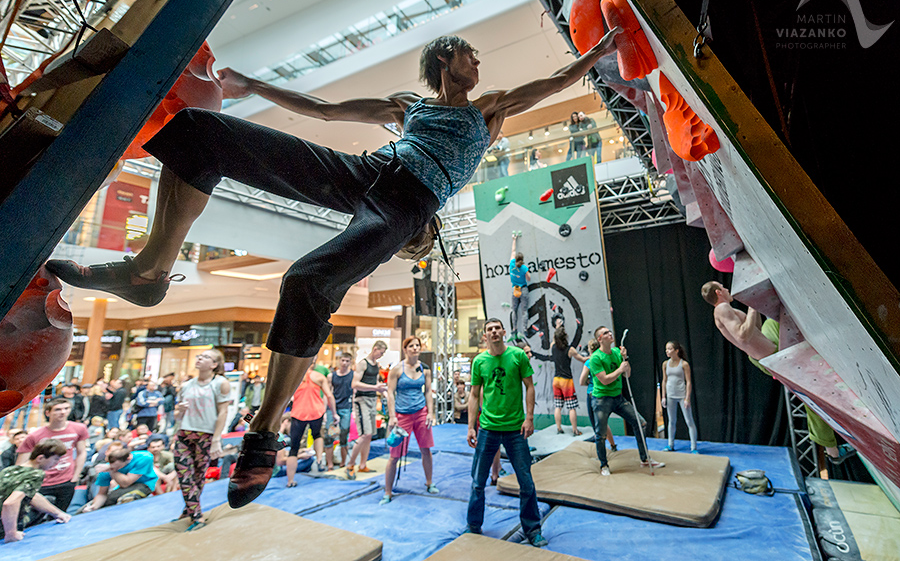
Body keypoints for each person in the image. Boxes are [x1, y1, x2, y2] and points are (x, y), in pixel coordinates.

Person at [46, 27, 621, 508]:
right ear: (446, 58)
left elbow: (548, 85)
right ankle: (149, 272)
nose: (478, 61)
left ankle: (265, 430)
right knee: (198, 133)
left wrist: (592, 57)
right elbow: (322, 109)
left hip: (408, 202)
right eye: (469, 53)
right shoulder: (408, 105)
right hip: (364, 172)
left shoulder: (489, 109)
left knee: (307, 281)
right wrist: (250, 86)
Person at [700, 281, 850, 463]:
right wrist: (752, 309)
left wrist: (753, 304)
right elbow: (742, 336)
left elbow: (754, 329)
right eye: (723, 288)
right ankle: (833, 452)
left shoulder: (725, 309)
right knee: (812, 398)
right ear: (718, 292)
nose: (727, 289)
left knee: (773, 321)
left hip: (766, 350)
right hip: (772, 358)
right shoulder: (722, 309)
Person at [466, 318, 546, 547]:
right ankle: (473, 525)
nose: (493, 332)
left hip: (515, 429)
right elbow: (473, 395)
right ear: (485, 336)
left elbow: (530, 386)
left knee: (526, 482)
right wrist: (471, 426)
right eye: (489, 329)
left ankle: (532, 530)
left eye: (496, 328)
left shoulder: (518, 356)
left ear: (503, 332)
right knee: (477, 482)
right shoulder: (479, 361)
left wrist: (529, 418)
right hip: (488, 429)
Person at [588, 327, 664, 475]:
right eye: (606, 333)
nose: (610, 334)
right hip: (601, 399)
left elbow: (627, 375)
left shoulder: (617, 352)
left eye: (610, 332)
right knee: (601, 434)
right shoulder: (596, 358)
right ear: (600, 339)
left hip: (618, 397)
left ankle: (644, 458)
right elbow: (604, 380)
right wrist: (620, 369)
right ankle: (604, 465)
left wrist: (625, 359)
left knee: (641, 423)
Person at [171, 349, 231, 530]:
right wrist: (179, 410)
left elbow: (223, 412)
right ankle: (196, 515)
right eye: (199, 356)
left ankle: (189, 510)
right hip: (184, 433)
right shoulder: (187, 385)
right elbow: (177, 415)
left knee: (197, 475)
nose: (199, 359)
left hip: (205, 435)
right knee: (183, 473)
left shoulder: (220, 383)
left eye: (205, 357)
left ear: (214, 364)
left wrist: (216, 439)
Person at [382, 336, 438, 505]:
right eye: (411, 346)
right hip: (402, 415)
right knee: (394, 456)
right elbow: (390, 393)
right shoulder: (397, 369)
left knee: (426, 450)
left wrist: (430, 413)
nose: (415, 348)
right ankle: (388, 492)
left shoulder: (425, 368)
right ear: (405, 349)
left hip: (421, 413)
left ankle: (429, 483)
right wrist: (392, 416)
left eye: (417, 345)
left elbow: (428, 391)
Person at [16, 398, 89, 515]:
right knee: (36, 516)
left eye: (66, 409)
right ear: (48, 413)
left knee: (62, 514)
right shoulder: (35, 436)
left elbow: (82, 452)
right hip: (42, 482)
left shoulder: (79, 429)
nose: (63, 412)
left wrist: (75, 476)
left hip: (66, 480)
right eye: (58, 409)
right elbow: (21, 464)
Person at [0, 439, 70, 543]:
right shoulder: (35, 474)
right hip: (3, 528)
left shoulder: (9, 470)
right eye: (55, 459)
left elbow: (32, 496)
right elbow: (10, 503)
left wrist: (59, 514)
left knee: (46, 500)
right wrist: (11, 534)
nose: (56, 463)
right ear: (40, 458)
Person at [286, 365, 337, 487]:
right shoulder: (319, 376)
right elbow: (329, 395)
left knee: (294, 447)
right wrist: (334, 413)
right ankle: (319, 460)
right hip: (316, 411)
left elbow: (286, 397)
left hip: (299, 412)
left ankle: (290, 481)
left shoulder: (294, 376)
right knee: (317, 434)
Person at [345, 342, 389, 480]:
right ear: (375, 349)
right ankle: (350, 464)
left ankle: (363, 465)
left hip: (371, 400)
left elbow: (375, 384)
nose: (381, 355)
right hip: (361, 400)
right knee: (364, 434)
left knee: (369, 436)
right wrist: (375, 388)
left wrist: (383, 393)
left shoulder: (375, 365)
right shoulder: (363, 363)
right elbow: (355, 384)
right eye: (381, 353)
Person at [81, 448, 157, 511]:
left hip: (145, 484)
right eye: (113, 467)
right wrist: (94, 507)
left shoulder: (144, 457)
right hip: (122, 489)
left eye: (118, 467)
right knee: (94, 506)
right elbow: (102, 494)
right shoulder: (105, 471)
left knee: (126, 498)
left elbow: (126, 483)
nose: (115, 469)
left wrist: (112, 470)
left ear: (128, 459)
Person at [660, 341, 698, 453]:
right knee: (671, 421)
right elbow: (664, 381)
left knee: (689, 421)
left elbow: (689, 382)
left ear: (676, 351)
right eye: (666, 349)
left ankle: (693, 448)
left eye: (670, 349)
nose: (667, 351)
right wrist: (663, 396)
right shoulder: (665, 364)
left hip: (681, 396)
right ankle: (670, 445)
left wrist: (687, 398)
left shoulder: (684, 364)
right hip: (670, 396)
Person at [580, 338, 618, 450]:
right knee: (603, 422)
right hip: (606, 392)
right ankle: (613, 445)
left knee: (597, 425)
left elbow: (581, 381)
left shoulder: (590, 361)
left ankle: (601, 452)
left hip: (593, 393)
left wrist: (589, 381)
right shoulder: (605, 359)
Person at [550, 327, 588, 436]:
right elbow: (582, 359)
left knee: (558, 406)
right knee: (571, 407)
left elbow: (554, 339)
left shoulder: (553, 347)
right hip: (566, 381)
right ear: (565, 337)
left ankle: (559, 428)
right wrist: (592, 355)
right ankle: (575, 430)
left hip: (556, 380)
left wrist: (557, 327)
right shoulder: (570, 350)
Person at [324, 353, 354, 470]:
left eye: (347, 361)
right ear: (339, 361)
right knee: (329, 436)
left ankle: (343, 462)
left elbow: (355, 392)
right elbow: (328, 393)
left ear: (350, 362)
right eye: (343, 360)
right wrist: (326, 410)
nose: (345, 363)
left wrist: (354, 410)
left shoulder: (352, 375)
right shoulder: (332, 376)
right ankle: (330, 464)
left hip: (346, 408)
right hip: (332, 408)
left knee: (344, 434)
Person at [509, 233, 531, 341]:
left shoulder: (512, 264)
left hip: (516, 289)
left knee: (514, 310)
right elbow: (529, 279)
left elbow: (513, 251)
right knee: (524, 311)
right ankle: (525, 329)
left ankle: (514, 328)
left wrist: (514, 239)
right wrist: (526, 272)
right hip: (523, 289)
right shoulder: (523, 268)